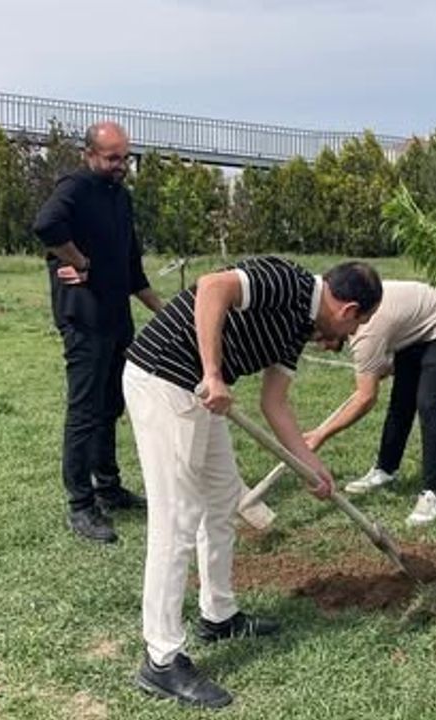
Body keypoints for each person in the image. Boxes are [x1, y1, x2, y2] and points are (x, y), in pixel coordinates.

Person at [123, 256, 381, 708]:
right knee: (177, 519)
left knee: (222, 498)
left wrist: (310, 465)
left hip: (203, 394)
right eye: (357, 326)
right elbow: (212, 287)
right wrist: (212, 373)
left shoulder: (299, 329)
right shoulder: (287, 281)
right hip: (166, 379)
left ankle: (218, 615)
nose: (351, 335)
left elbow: (274, 403)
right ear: (349, 310)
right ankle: (161, 659)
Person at [33, 121, 165, 544]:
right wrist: (78, 260)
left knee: (111, 406)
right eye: (112, 158)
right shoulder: (75, 187)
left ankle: (109, 488)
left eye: (125, 157)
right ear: (89, 154)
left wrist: (166, 313)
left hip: (117, 318)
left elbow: (132, 267)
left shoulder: (120, 197)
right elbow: (47, 225)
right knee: (85, 411)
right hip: (84, 320)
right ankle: (81, 504)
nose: (120, 165)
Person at [306, 280, 436, 526]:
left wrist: (321, 434)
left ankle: (433, 493)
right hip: (413, 327)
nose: (324, 347)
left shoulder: (365, 334)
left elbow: (365, 398)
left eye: (323, 338)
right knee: (401, 401)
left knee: (429, 404)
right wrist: (377, 367)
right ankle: (385, 469)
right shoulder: (354, 318)